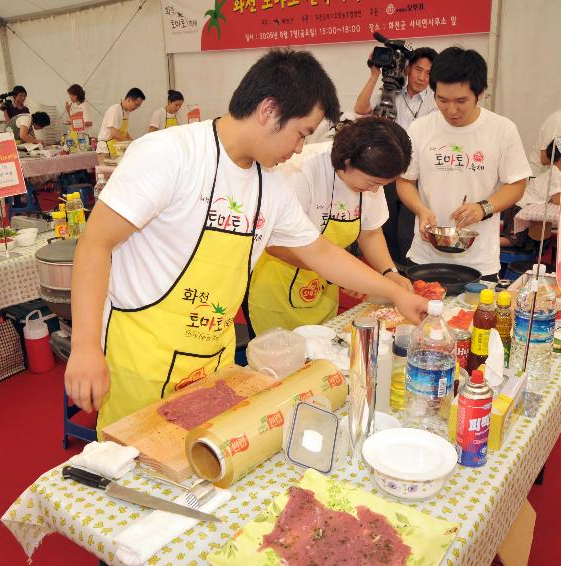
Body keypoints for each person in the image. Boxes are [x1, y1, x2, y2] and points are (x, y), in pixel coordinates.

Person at [64, 50, 429, 434]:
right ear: (269, 110)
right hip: (142, 359)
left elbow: (320, 252)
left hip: (213, 357)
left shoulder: (268, 182)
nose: (301, 148)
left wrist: (395, 290)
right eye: (302, 132)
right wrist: (86, 346)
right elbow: (95, 245)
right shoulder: (170, 154)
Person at [245, 117, 415, 336]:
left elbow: (370, 232)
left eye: (382, 185)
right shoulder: (300, 171)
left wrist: (390, 272)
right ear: (347, 161)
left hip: (323, 290)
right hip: (275, 290)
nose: (375, 191)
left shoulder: (371, 176)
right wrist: (340, 273)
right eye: (373, 183)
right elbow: (275, 245)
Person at [396, 47, 531, 279]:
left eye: (461, 100)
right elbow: (405, 181)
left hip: (479, 262)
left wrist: (483, 208)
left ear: (480, 93)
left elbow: (517, 184)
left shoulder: (502, 129)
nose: (451, 110)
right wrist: (420, 209)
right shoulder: (420, 128)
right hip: (424, 256)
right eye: (442, 99)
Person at [355, 46, 439, 265]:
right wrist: (374, 75)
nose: (421, 77)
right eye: (418, 70)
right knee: (386, 224)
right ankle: (391, 272)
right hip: (389, 169)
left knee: (407, 230)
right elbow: (360, 107)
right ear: (407, 68)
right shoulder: (390, 91)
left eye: (428, 73)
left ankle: (409, 271)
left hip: (417, 174)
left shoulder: (436, 100)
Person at [501, 140, 561, 249]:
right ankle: (483, 244)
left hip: (519, 206)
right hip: (518, 208)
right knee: (513, 240)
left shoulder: (555, 172)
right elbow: (557, 200)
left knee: (518, 239)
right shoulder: (556, 174)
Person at [96, 88, 145, 161]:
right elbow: (114, 133)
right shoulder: (115, 110)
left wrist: (134, 142)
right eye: (136, 104)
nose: (136, 108)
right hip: (105, 151)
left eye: (138, 106)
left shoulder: (126, 112)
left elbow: (124, 132)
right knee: (106, 172)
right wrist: (130, 142)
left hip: (115, 149)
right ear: (129, 99)